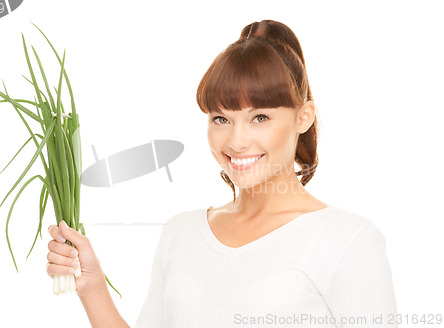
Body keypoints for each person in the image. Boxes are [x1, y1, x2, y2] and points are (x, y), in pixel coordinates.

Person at [46, 20, 398, 328]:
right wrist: (90, 284)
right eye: (221, 119)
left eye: (260, 117)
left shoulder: (348, 241)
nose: (236, 141)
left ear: (303, 118)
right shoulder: (181, 232)